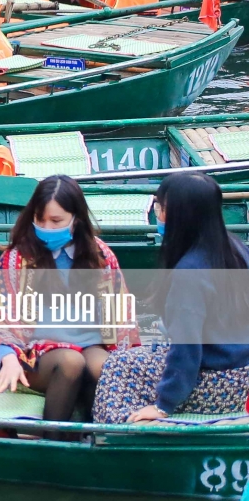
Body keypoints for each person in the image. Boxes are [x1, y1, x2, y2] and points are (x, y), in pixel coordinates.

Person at [0, 175, 136, 421]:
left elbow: (120, 317)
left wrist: (128, 360)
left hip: (90, 347)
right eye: (40, 220)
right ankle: (53, 438)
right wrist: (6, 358)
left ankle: (99, 436)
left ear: (76, 219)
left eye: (56, 221)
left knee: (107, 369)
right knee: (70, 361)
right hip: (34, 355)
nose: (47, 228)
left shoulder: (101, 256)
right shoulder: (17, 259)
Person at [95, 173, 249, 423]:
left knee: (118, 366)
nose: (158, 214)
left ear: (181, 215)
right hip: (242, 370)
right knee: (137, 358)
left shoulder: (190, 272)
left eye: (161, 207)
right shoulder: (237, 249)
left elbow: (187, 348)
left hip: (222, 382)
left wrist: (164, 405)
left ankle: (116, 434)